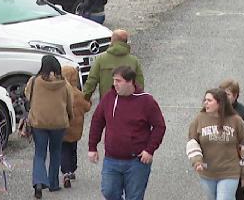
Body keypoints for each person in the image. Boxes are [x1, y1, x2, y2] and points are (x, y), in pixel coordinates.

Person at [87, 66, 166, 200]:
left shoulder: (146, 101)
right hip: (112, 159)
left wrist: (150, 150)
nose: (114, 84)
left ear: (130, 82)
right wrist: (92, 147)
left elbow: (159, 126)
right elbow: (97, 121)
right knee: (108, 192)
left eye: (119, 81)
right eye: (114, 80)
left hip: (137, 161)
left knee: (134, 197)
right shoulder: (109, 98)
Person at [186, 88, 244, 200]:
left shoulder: (236, 120)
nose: (205, 103)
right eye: (205, 100)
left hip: (230, 172)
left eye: (209, 100)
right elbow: (192, 142)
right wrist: (197, 161)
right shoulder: (199, 119)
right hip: (207, 173)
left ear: (220, 103)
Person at [24, 55, 73, 198]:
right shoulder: (64, 83)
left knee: (40, 153)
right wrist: (70, 116)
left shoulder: (34, 81)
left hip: (39, 123)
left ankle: (38, 183)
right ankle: (53, 184)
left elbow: (28, 96)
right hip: (59, 123)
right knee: (56, 151)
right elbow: (70, 103)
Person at [219, 79, 244, 200]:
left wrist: (237, 139)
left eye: (227, 94)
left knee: (238, 189)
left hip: (240, 157)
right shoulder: (216, 110)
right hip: (221, 156)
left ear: (235, 95)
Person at [83, 29, 145, 101]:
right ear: (126, 42)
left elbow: (91, 82)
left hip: (107, 104)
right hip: (129, 105)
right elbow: (140, 85)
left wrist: (84, 100)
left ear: (112, 41)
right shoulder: (134, 61)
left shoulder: (101, 59)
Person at [61, 65, 92, 189]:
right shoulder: (79, 94)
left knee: (63, 150)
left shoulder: (60, 92)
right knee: (73, 148)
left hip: (63, 127)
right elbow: (87, 107)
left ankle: (65, 173)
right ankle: (72, 169)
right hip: (76, 128)